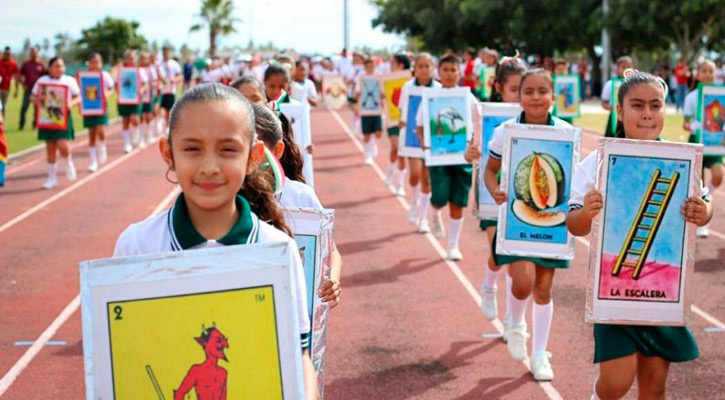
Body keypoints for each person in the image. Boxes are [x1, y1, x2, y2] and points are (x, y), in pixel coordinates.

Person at [113, 83, 319, 400]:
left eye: (228, 150)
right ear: (168, 153)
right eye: (192, 149)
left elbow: (298, 355)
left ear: (254, 157)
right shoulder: (137, 245)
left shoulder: (278, 250)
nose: (210, 167)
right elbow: (124, 361)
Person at [567, 70, 711, 400]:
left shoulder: (681, 160)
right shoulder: (599, 161)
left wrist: (705, 211)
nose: (647, 113)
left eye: (655, 105)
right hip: (616, 293)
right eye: (637, 105)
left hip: (661, 296)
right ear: (619, 111)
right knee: (616, 385)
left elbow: (704, 202)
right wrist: (586, 212)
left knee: (653, 387)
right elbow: (574, 224)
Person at [484, 69, 574, 381]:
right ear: (519, 96)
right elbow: (489, 170)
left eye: (542, 92)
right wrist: (495, 189)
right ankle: (517, 323)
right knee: (521, 282)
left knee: (544, 287)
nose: (536, 98)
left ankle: (540, 356)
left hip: (553, 226)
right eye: (529, 91)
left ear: (552, 96)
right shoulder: (505, 130)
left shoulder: (565, 132)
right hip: (516, 221)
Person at [251, 102, 342, 308]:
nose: (250, 159)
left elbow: (332, 251)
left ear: (278, 150)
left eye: (258, 151)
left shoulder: (301, 196)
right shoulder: (227, 202)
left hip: (294, 311)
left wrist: (333, 281)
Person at [464, 55, 526, 329]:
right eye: (515, 90)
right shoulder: (483, 115)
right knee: (499, 249)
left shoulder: (533, 118)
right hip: (491, 195)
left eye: (525, 89)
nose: (520, 96)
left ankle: (514, 320)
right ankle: (489, 284)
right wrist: (470, 152)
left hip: (521, 199)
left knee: (517, 263)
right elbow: (470, 153)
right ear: (499, 88)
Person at [415, 54, 482, 261]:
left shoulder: (468, 97)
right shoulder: (430, 97)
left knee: (457, 202)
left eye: (454, 70)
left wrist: (475, 146)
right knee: (440, 197)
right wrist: (424, 144)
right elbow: (420, 126)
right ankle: (434, 212)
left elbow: (478, 123)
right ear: (439, 73)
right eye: (446, 70)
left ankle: (453, 245)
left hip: (463, 159)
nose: (450, 74)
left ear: (460, 73)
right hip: (439, 159)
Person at [399, 53, 441, 233]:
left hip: (431, 139)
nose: (424, 69)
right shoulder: (408, 87)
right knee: (414, 174)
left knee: (427, 180)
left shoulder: (438, 88)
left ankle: (423, 218)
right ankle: (414, 202)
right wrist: (401, 121)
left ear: (433, 69)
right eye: (420, 66)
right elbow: (402, 109)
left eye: (427, 66)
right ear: (415, 69)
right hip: (412, 137)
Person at [683, 59, 720, 238]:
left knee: (719, 176)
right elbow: (685, 123)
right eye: (703, 71)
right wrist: (695, 127)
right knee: (700, 183)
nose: (707, 74)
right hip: (697, 142)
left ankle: (709, 196)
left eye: (711, 71)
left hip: (715, 143)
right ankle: (701, 224)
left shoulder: (721, 96)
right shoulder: (691, 97)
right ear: (697, 75)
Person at [30, 56, 81, 189]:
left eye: (62, 66)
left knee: (63, 145)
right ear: (50, 68)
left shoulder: (69, 81)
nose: (60, 69)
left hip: (63, 119)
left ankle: (68, 162)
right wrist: (38, 99)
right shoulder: (42, 81)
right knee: (50, 148)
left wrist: (71, 103)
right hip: (47, 118)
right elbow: (32, 96)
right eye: (57, 66)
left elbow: (79, 97)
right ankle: (52, 178)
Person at [81, 53, 115, 172]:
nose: (95, 64)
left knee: (100, 131)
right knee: (91, 134)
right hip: (89, 108)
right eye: (92, 62)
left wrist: (107, 94)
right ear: (89, 63)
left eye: (97, 62)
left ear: (101, 63)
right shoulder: (84, 76)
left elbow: (112, 89)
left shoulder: (104, 75)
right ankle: (93, 161)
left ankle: (102, 146)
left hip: (101, 107)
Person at [384, 53, 412, 196]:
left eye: (393, 63)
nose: (391, 66)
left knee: (401, 152)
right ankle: (390, 169)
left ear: (401, 65)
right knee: (395, 148)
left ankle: (400, 184)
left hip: (407, 121)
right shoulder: (387, 80)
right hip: (393, 120)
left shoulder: (410, 80)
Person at [356, 57, 384, 165]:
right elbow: (357, 92)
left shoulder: (380, 76)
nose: (370, 67)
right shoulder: (361, 77)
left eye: (372, 65)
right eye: (368, 65)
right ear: (365, 66)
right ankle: (368, 156)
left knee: (378, 133)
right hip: (365, 110)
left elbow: (383, 92)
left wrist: (382, 96)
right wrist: (357, 94)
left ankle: (373, 145)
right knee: (366, 134)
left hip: (377, 110)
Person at [113, 50, 142, 153]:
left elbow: (144, 84)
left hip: (134, 99)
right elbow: (116, 85)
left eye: (133, 58)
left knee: (135, 119)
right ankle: (127, 144)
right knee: (125, 121)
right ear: (125, 59)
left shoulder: (139, 70)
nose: (131, 60)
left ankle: (136, 137)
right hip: (124, 100)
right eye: (129, 58)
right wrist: (120, 94)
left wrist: (140, 91)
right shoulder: (120, 70)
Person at [601, 56, 634, 137]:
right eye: (623, 67)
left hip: (631, 118)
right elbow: (603, 103)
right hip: (614, 119)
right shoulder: (610, 84)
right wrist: (614, 109)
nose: (626, 69)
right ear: (617, 69)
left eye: (629, 67)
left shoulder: (637, 85)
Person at [18, 46, 46, 130]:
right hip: (28, 89)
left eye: (35, 52)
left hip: (38, 90)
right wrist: (23, 84)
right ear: (30, 53)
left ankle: (35, 125)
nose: (33, 53)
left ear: (37, 53)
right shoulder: (26, 64)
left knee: (37, 108)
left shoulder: (41, 64)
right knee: (24, 107)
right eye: (32, 52)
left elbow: (45, 77)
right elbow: (20, 75)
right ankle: (21, 125)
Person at [159, 46, 183, 129]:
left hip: (171, 90)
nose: (166, 54)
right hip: (161, 90)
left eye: (167, 52)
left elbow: (180, 76)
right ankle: (161, 123)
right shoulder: (159, 64)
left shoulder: (174, 64)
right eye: (164, 52)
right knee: (158, 109)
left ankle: (168, 126)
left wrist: (174, 80)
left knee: (169, 110)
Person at [552, 58, 574, 124]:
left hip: (568, 111)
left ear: (567, 71)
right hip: (557, 110)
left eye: (563, 69)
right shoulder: (551, 81)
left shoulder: (572, 81)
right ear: (555, 70)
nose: (561, 71)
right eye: (559, 69)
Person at [0, 47, 19, 117]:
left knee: (3, 106)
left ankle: (1, 123)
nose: (7, 55)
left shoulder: (13, 64)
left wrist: (16, 90)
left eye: (8, 54)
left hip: (6, 88)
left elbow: (17, 77)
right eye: (6, 54)